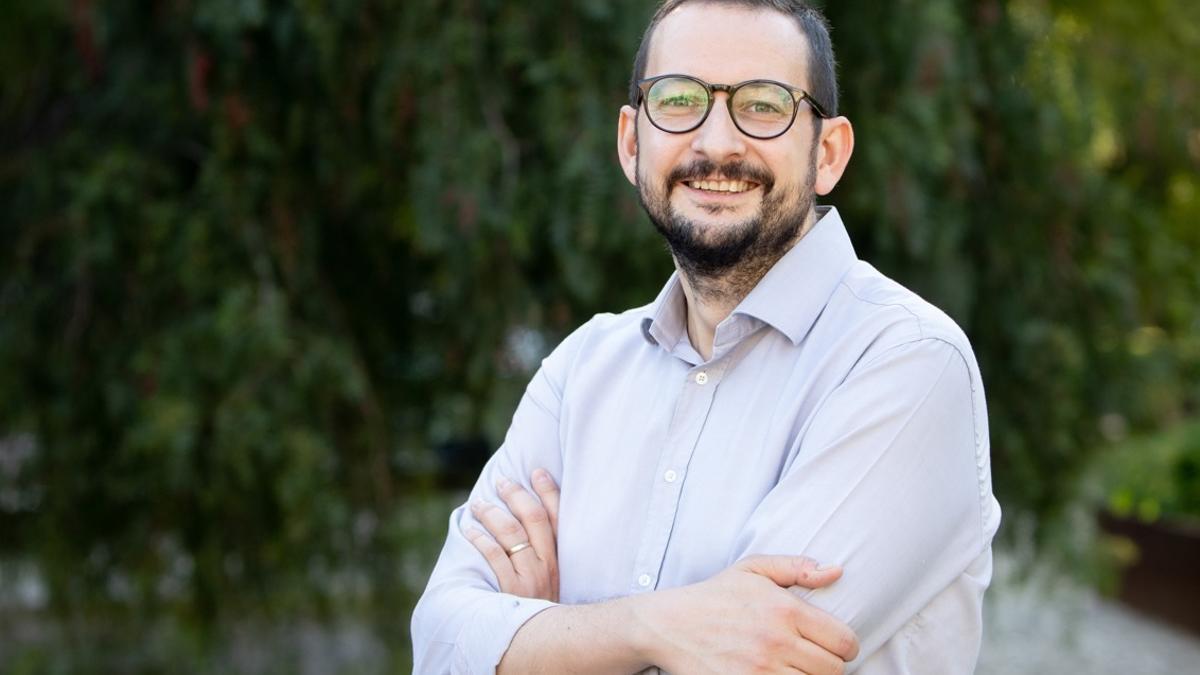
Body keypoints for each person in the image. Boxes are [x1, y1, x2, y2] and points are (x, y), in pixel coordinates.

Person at [411, 0, 1001, 672]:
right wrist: (645, 630)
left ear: (828, 152)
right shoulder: (581, 370)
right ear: (632, 144)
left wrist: (543, 638)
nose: (716, 143)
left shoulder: (908, 363)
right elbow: (437, 643)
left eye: (763, 105)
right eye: (680, 98)